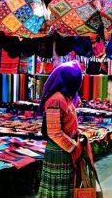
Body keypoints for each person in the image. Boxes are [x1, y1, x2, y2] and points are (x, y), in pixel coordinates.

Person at [38, 61, 83, 198]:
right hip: (59, 152)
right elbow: (54, 132)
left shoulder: (64, 97)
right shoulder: (56, 100)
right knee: (58, 191)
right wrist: (74, 148)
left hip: (64, 151)